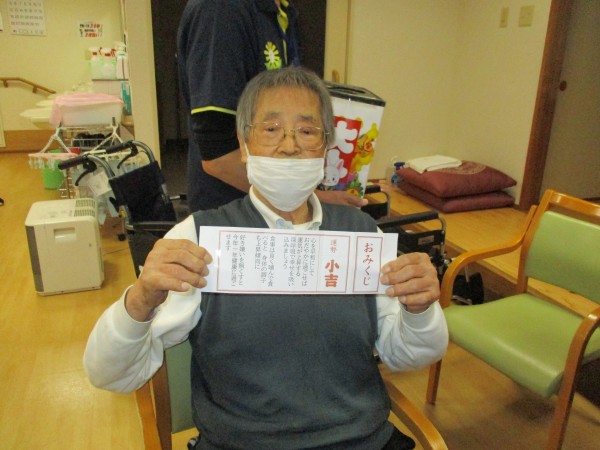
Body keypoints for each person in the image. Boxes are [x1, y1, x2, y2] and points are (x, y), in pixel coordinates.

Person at [84, 67, 448, 449]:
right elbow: (110, 374)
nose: (289, 145)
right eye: (271, 129)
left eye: (307, 131)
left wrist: (419, 311)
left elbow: (408, 355)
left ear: (326, 146)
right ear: (244, 145)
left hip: (363, 441)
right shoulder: (200, 238)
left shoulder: (360, 235)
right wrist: (140, 300)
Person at [177, 0, 365, 212]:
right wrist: (314, 198)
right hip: (234, 212)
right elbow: (216, 154)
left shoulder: (281, 12)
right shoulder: (221, 9)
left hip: (282, 210)